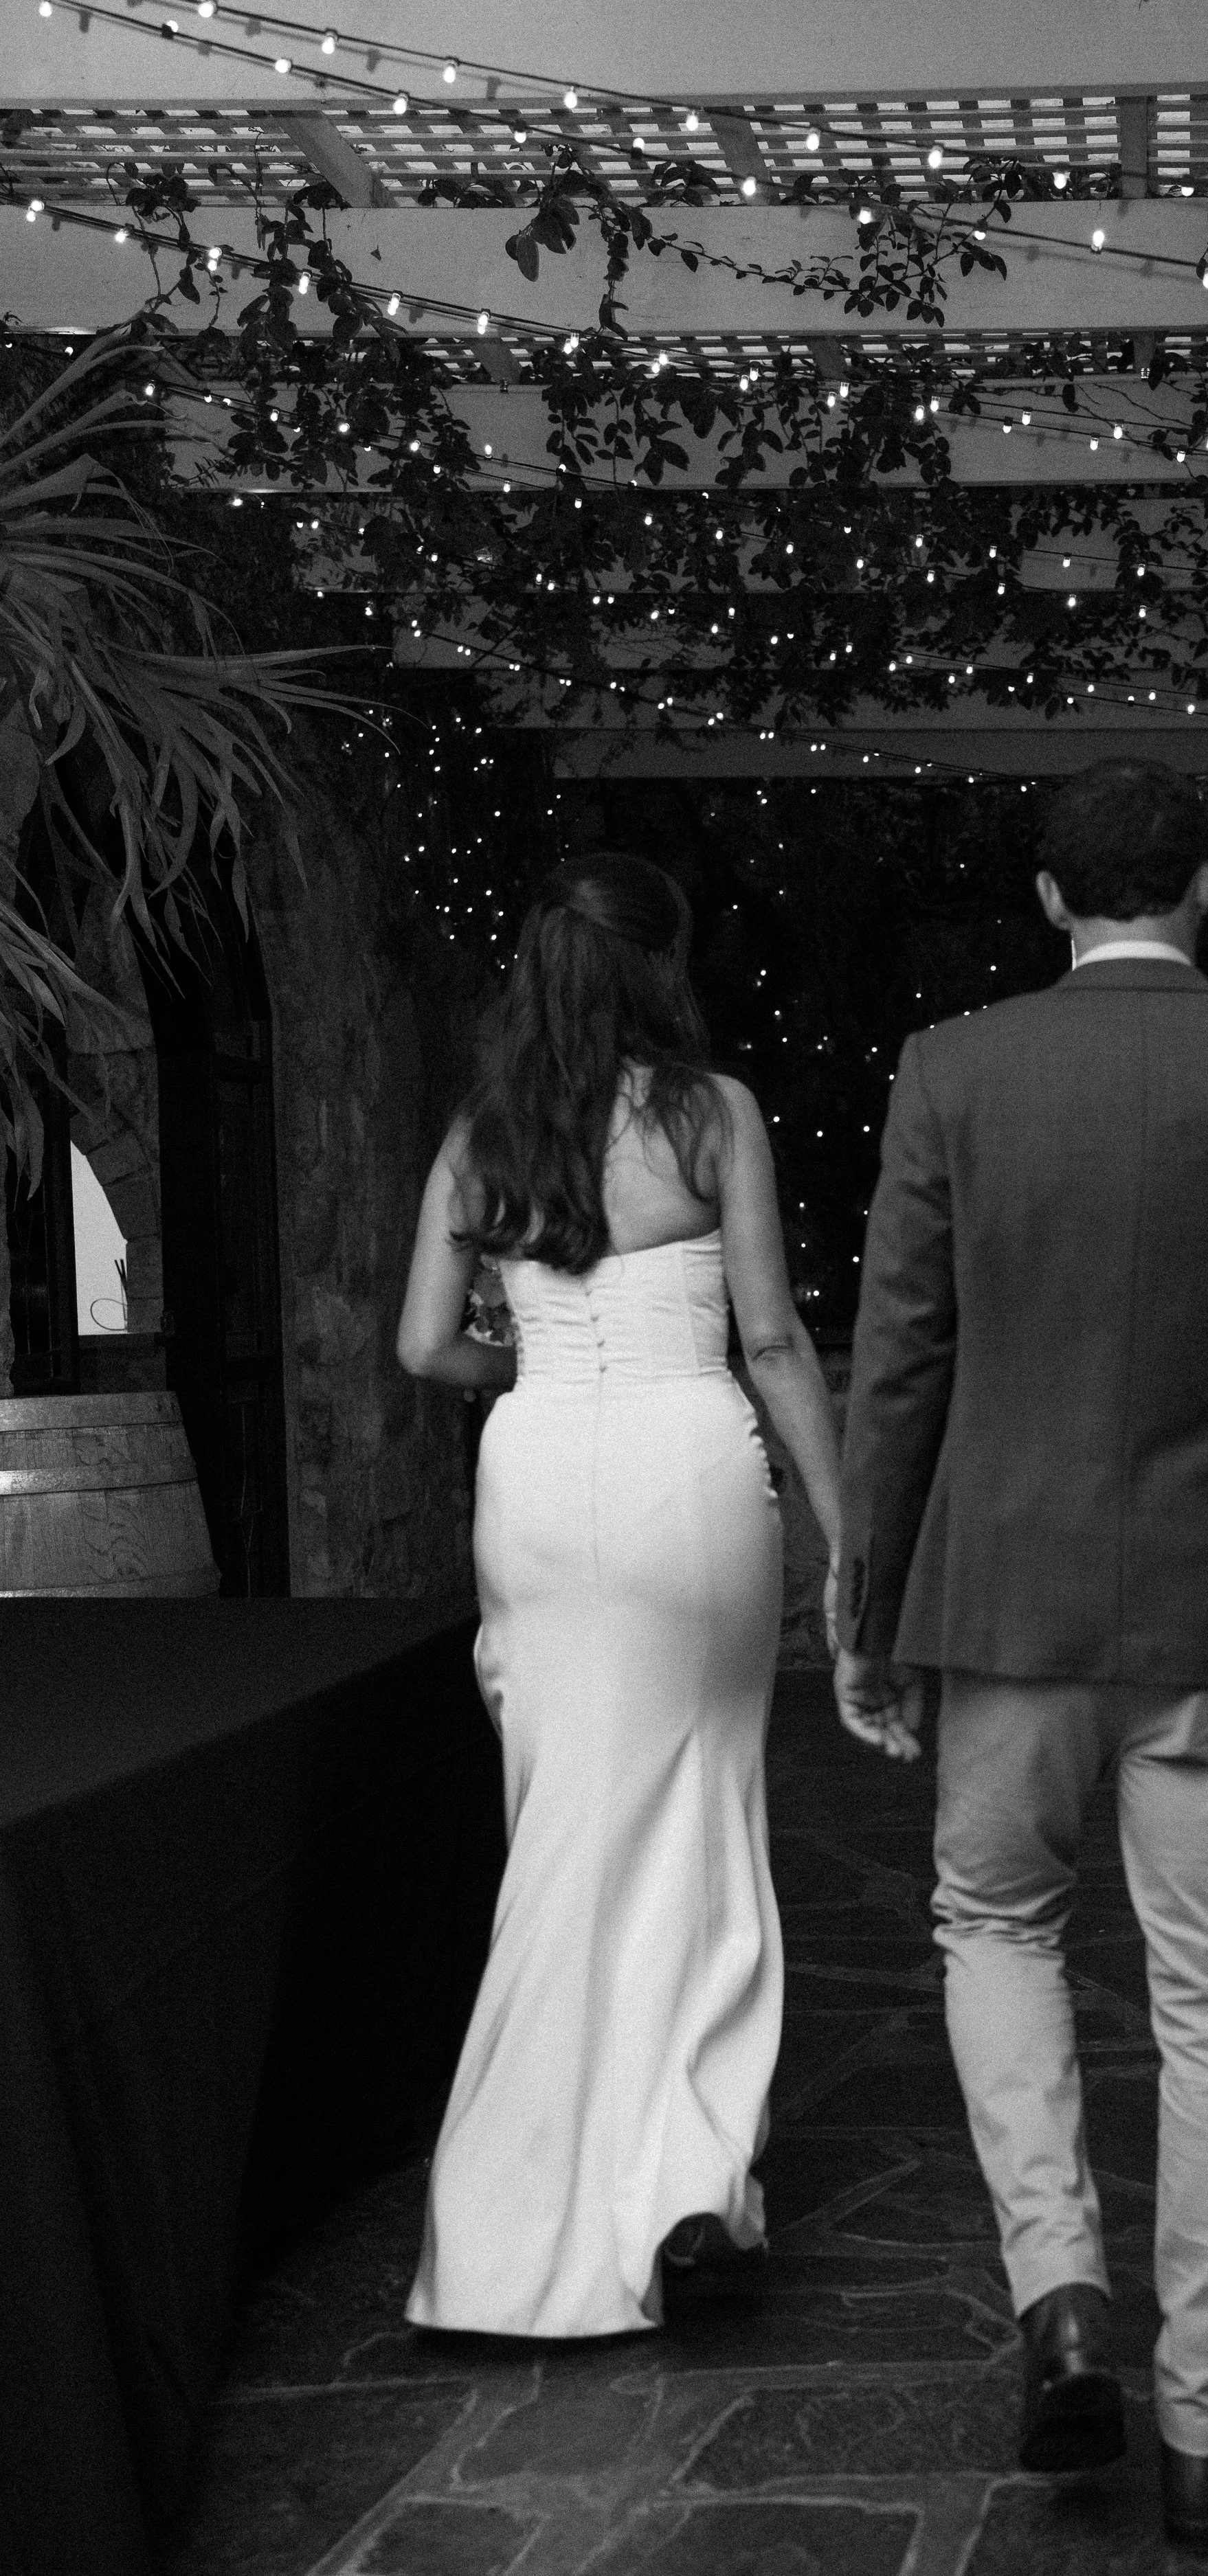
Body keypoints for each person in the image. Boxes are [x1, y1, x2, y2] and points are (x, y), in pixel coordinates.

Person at [832, 761, 1208, 2548]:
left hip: (1000, 1601)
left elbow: (901, 1358)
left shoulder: (953, 1070)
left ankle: (1060, 2284)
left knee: (994, 1923)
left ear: (1044, 897)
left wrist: (865, 1604)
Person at [395, 851, 842, 2339]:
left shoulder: (483, 1135)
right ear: (663, 965)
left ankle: (506, 2232)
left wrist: (530, 1356)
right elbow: (772, 1343)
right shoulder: (711, 1116)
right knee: (696, 1819)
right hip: (682, 1476)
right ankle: (682, 2189)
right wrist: (845, 1534)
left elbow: (419, 1351)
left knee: (563, 1834)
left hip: (538, 1484)